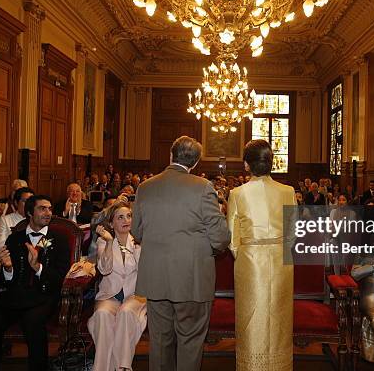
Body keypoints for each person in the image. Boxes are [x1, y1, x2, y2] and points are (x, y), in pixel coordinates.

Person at [131, 136, 230, 371]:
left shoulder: (145, 187)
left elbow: (136, 231)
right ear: (195, 163)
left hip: (156, 278)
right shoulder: (203, 187)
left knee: (160, 341)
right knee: (190, 341)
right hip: (191, 278)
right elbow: (220, 237)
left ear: (171, 155)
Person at [227, 139, 296, 371]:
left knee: (251, 316)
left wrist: (247, 255)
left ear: (247, 165)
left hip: (250, 261)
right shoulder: (288, 191)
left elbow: (232, 239)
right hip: (281, 262)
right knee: (279, 315)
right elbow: (293, 233)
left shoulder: (237, 193)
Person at [0, 195, 71, 371]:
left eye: (50, 208)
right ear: (29, 212)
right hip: (15, 296)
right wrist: (7, 268)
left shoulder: (58, 240)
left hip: (43, 297)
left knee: (33, 321)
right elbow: (6, 282)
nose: (48, 212)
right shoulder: (15, 239)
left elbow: (60, 277)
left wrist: (38, 267)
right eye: (42, 208)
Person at [88, 201, 146, 371]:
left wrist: (137, 249)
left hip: (135, 295)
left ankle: (122, 367)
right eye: (120, 217)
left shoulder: (139, 241)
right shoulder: (103, 241)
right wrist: (108, 242)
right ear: (111, 223)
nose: (126, 220)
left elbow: (145, 272)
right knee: (102, 315)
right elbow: (104, 270)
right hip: (110, 295)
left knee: (126, 312)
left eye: (129, 216)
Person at [0, 187, 35, 251]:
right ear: (16, 203)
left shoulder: (37, 219)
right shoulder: (6, 220)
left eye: (31, 202)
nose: (29, 205)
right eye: (25, 201)